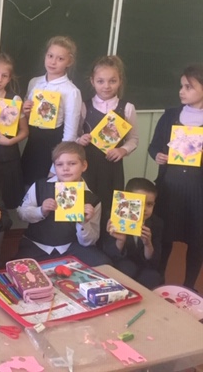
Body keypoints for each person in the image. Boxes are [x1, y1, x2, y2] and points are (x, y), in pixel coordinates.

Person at [149, 64, 203, 289]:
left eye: (189, 87)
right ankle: (159, 279)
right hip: (170, 187)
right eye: (181, 86)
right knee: (165, 236)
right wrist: (158, 155)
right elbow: (154, 147)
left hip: (198, 191)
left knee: (197, 240)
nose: (182, 91)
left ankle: (189, 286)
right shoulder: (170, 115)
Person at [16, 142, 110, 266]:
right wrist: (41, 210)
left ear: (84, 165)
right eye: (59, 164)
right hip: (37, 245)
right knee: (17, 268)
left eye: (72, 163)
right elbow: (21, 213)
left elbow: (90, 241)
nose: (65, 168)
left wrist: (84, 223)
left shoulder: (92, 199)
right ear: (54, 167)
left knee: (103, 264)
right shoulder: (40, 186)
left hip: (71, 248)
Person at [77, 56, 138, 240]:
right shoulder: (84, 106)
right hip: (87, 166)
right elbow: (75, 136)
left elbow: (133, 139)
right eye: (100, 81)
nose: (106, 86)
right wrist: (80, 139)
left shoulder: (127, 108)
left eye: (112, 81)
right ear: (92, 81)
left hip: (112, 168)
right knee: (87, 202)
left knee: (110, 203)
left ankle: (109, 242)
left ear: (120, 81)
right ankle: (86, 241)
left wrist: (122, 150)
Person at [0, 53, 28, 263]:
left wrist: (10, 142)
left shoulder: (14, 100)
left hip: (8, 159)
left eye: (4, 75)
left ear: (9, 78)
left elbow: (24, 131)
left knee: (2, 208)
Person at [21, 37, 82, 187]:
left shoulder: (71, 91)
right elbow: (28, 118)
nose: (53, 62)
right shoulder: (34, 82)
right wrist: (26, 111)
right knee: (27, 186)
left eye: (60, 58)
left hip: (54, 146)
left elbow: (70, 134)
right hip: (33, 143)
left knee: (47, 188)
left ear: (69, 61)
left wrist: (57, 166)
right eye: (50, 56)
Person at [102, 178, 163, 289]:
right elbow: (108, 254)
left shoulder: (156, 223)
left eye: (149, 204)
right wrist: (120, 241)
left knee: (153, 277)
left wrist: (148, 244)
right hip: (121, 264)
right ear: (127, 201)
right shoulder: (115, 218)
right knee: (127, 268)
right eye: (138, 204)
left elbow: (154, 262)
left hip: (144, 266)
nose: (144, 209)